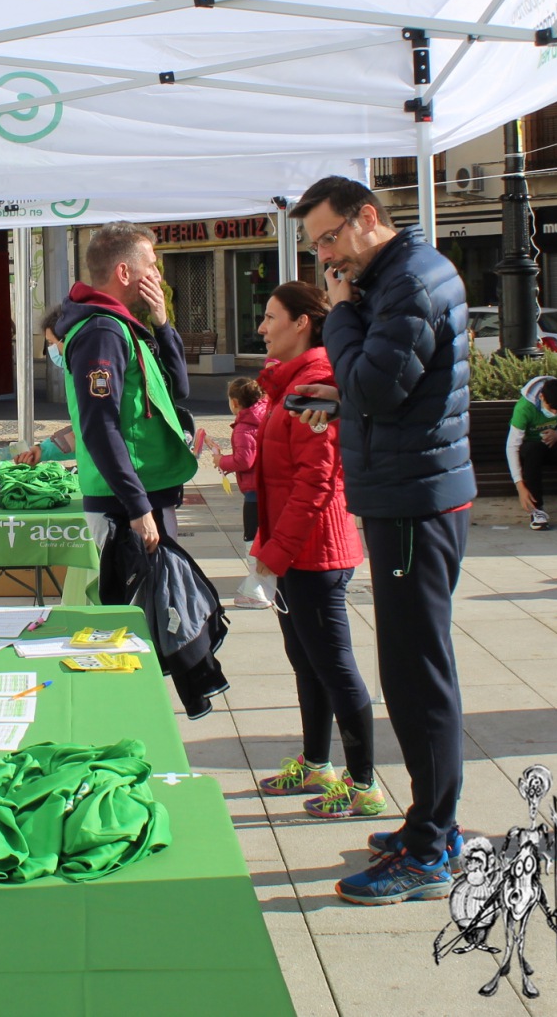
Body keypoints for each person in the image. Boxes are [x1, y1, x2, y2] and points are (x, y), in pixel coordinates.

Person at [287, 175, 473, 906]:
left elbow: (375, 386)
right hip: (411, 490)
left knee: (415, 675)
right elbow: (384, 389)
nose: (327, 258)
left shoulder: (409, 284)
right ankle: (429, 821)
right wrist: (341, 400)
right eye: (316, 247)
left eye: (331, 238)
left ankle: (430, 849)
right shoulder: (397, 280)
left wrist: (337, 317)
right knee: (414, 667)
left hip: (413, 502)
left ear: (368, 218)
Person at [54, 222, 224, 717]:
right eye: (152, 264)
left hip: (148, 497)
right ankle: (121, 723)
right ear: (125, 270)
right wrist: (137, 508)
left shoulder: (123, 324)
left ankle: (141, 719)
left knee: (161, 617)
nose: (158, 272)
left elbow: (178, 391)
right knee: (132, 628)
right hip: (127, 506)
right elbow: (99, 426)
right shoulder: (101, 330)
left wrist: (164, 322)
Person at [246, 282, 383, 819]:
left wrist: (276, 551)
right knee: (306, 663)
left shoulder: (315, 383)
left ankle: (364, 784)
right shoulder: (291, 384)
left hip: (315, 552)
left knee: (334, 666)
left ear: (302, 322)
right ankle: (317, 762)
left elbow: (317, 482)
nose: (262, 327)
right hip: (292, 549)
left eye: (270, 316)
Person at [215, 375, 272, 610]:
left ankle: (258, 591)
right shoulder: (264, 414)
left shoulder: (244, 426)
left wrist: (221, 460)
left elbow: (244, 460)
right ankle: (262, 587)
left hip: (254, 492)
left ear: (235, 402)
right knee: (264, 537)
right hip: (268, 487)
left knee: (252, 538)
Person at [506, 375, 557, 532]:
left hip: (554, 441)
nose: (554, 412)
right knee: (533, 452)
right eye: (551, 408)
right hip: (531, 445)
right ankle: (537, 510)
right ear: (541, 397)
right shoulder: (524, 408)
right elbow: (512, 446)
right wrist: (519, 485)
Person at [13, 309, 77, 465]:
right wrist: (42, 450)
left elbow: (90, 431)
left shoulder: (90, 374)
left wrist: (45, 450)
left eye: (51, 342)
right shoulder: (78, 371)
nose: (51, 349)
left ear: (67, 339)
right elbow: (82, 429)